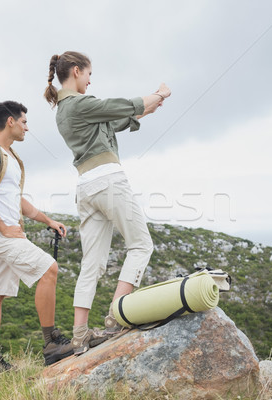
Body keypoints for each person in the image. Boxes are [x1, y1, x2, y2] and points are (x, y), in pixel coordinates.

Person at [44, 51, 171, 355]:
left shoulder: (65, 110)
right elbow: (117, 106)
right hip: (108, 181)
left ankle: (79, 337)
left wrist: (144, 111)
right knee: (141, 246)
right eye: (88, 74)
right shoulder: (80, 103)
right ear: (76, 71)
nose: (90, 80)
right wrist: (158, 94)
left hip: (86, 187)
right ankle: (116, 318)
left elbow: (112, 121)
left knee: (92, 263)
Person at [0, 100, 73, 370]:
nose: (27, 127)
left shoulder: (11, 157)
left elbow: (16, 199)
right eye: (24, 121)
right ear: (10, 121)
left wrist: (47, 219)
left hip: (5, 233)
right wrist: (3, 227)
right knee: (49, 269)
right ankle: (51, 343)